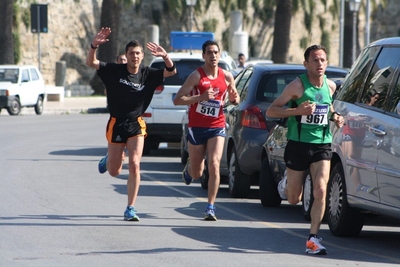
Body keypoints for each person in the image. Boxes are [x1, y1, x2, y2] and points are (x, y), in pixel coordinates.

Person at [86, 27, 177, 221]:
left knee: (135, 164)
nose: (134, 56)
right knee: (114, 171)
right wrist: (94, 45)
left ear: (142, 56)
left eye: (137, 53)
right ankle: (109, 158)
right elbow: (90, 62)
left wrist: (165, 56)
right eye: (131, 53)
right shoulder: (114, 70)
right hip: (116, 123)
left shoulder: (148, 74)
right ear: (126, 56)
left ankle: (130, 208)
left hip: (136, 124)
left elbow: (172, 72)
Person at [266, 44, 344, 255]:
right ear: (306, 64)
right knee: (294, 199)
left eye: (322, 60)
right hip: (298, 145)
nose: (319, 64)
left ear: (327, 63)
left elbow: (329, 108)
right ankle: (285, 182)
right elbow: (272, 110)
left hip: (322, 144)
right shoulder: (296, 87)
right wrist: (297, 110)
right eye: (315, 60)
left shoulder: (330, 86)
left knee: (320, 190)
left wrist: (335, 117)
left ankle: (313, 239)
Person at [173, 40, 240, 221]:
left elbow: (235, 98)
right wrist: (200, 97)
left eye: (216, 52)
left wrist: (234, 99)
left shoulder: (227, 77)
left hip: (217, 125)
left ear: (220, 55)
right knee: (197, 173)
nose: (213, 56)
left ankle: (210, 207)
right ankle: (190, 169)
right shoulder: (196, 76)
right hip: (196, 127)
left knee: (215, 164)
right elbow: (177, 99)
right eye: (209, 52)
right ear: (203, 55)